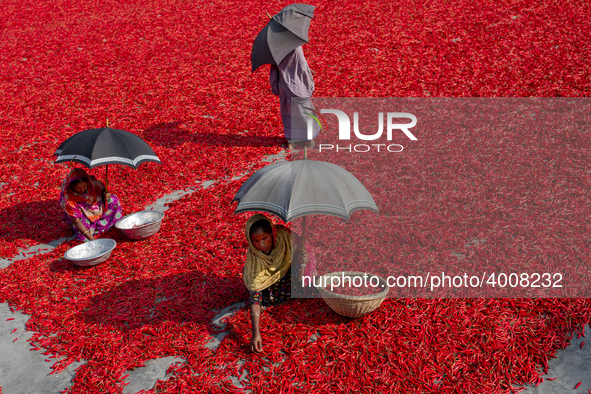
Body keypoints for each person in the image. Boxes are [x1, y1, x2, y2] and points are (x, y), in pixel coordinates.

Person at [242, 214, 317, 353]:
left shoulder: (284, 237)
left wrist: (302, 260)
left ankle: (300, 288)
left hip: (288, 276)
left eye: (265, 238)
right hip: (270, 292)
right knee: (263, 295)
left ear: (272, 233)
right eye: (255, 241)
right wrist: (256, 332)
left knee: (302, 262)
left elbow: (301, 251)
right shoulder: (255, 258)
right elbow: (254, 293)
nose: (261, 244)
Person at [270, 46, 319, 150]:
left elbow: (274, 67)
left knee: (288, 112)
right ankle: (309, 139)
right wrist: (309, 75)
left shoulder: (275, 47)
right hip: (296, 84)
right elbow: (301, 64)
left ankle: (291, 141)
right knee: (304, 112)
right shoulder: (295, 46)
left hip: (283, 84)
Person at [59, 168, 123, 242]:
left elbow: (104, 192)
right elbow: (77, 221)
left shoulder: (94, 185)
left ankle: (107, 224)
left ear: (88, 182)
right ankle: (90, 231)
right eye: (79, 188)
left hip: (95, 210)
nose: (82, 190)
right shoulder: (68, 198)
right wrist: (91, 238)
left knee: (113, 200)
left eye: (84, 186)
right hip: (82, 216)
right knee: (84, 237)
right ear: (73, 186)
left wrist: (107, 194)